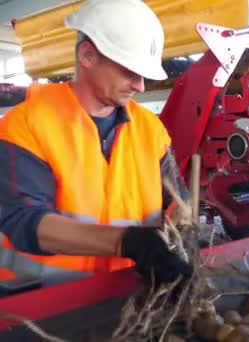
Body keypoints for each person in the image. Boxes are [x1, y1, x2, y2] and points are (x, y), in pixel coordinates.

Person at [0, 0, 193, 286]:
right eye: (130, 71)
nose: (140, 86)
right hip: (44, 304)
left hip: (129, 294)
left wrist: (181, 228)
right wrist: (127, 242)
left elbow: (177, 200)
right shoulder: (26, 125)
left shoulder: (150, 129)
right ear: (88, 56)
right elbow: (25, 221)